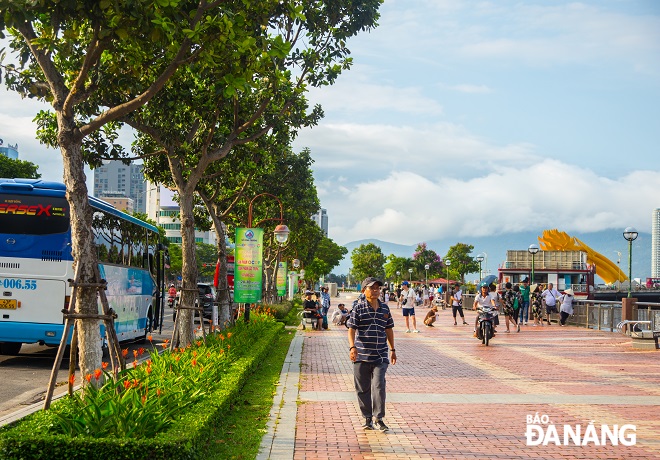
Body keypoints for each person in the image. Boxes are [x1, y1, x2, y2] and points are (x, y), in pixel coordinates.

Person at [347, 277, 396, 432]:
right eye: (372, 288)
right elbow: (352, 329)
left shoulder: (385, 309)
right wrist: (352, 347)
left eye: (377, 288)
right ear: (364, 291)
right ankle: (367, 417)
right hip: (361, 354)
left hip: (380, 355)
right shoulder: (358, 308)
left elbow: (389, 329)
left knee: (379, 385)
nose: (375, 291)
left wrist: (392, 349)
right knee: (362, 388)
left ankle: (378, 418)